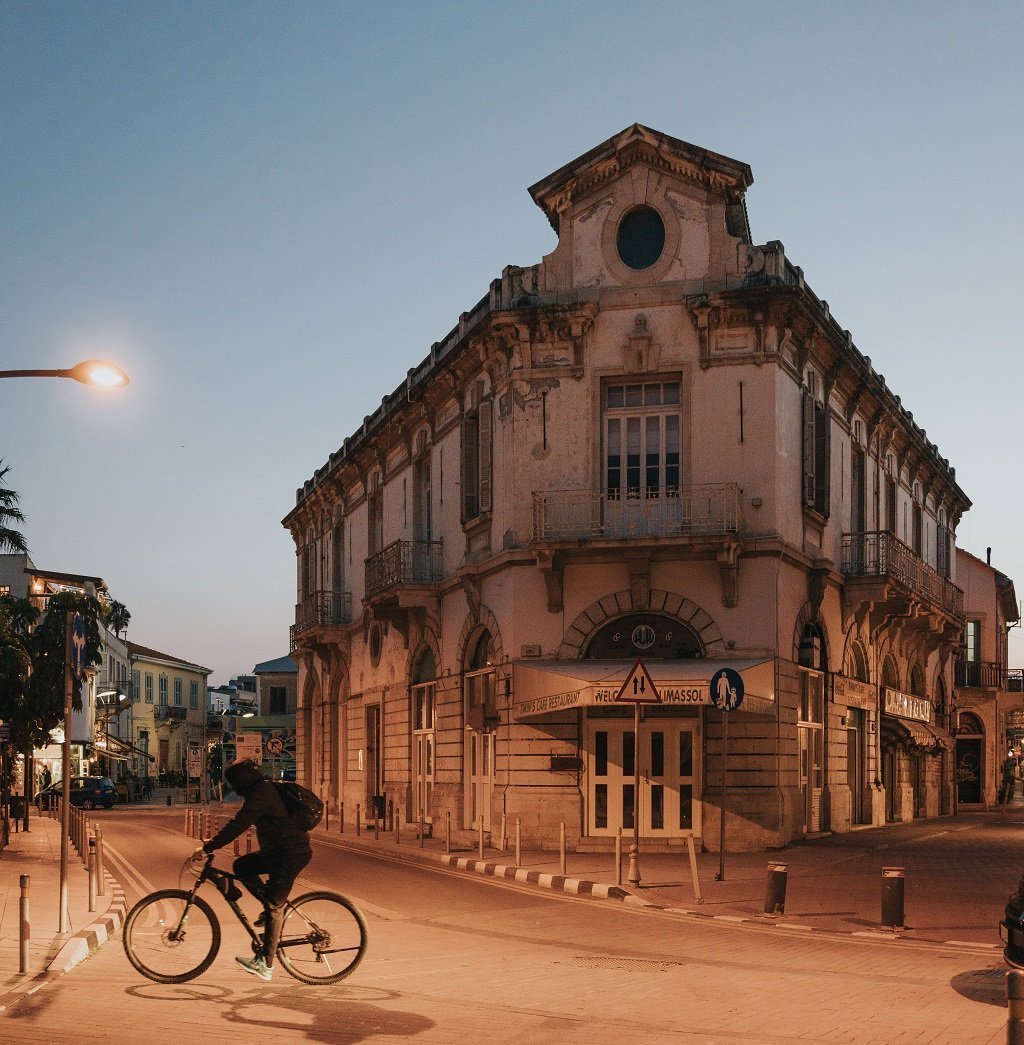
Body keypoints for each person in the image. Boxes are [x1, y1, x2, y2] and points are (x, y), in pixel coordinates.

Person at [194, 758, 312, 981]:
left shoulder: (262, 793)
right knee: (242, 865)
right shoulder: (260, 790)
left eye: (235, 783)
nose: (235, 789)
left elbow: (240, 824)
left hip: (290, 854)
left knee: (274, 906)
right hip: (277, 852)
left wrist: (208, 848)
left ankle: (266, 964)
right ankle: (268, 906)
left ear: (241, 781)